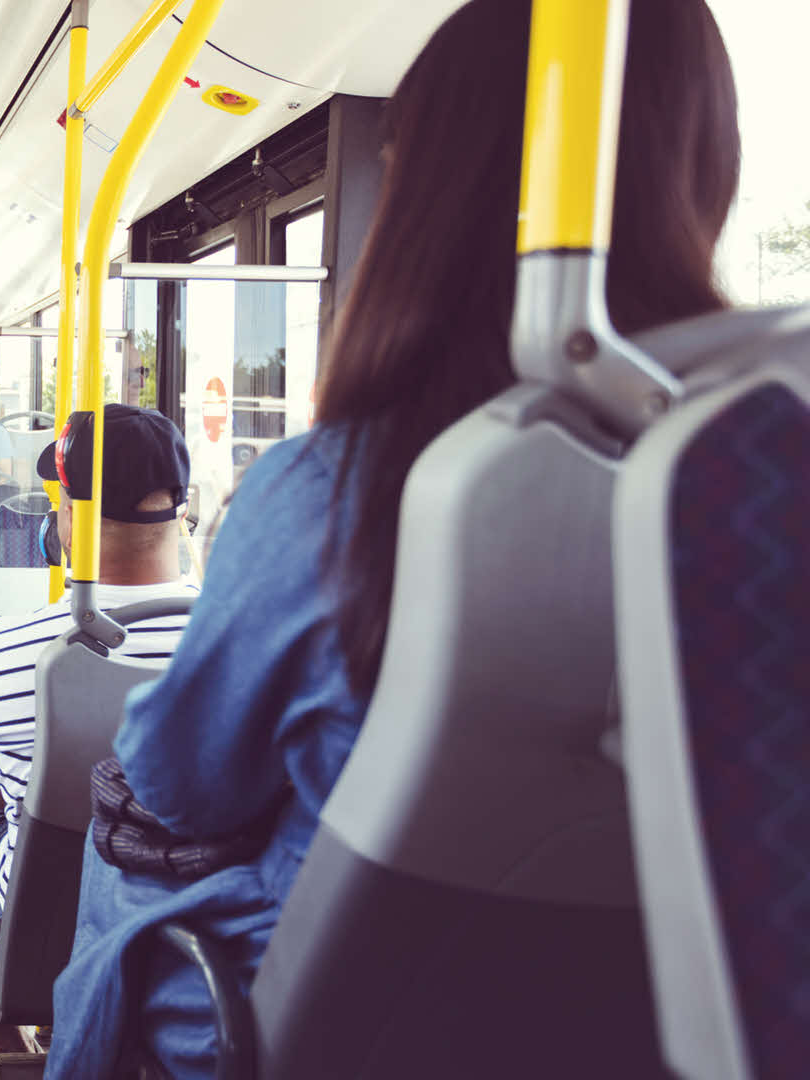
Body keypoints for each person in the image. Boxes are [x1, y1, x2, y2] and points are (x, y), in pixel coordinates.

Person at [45, 1, 740, 1076]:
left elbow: (182, 784)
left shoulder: (341, 494)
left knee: (123, 834)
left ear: (426, 196)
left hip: (351, 1027)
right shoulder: (750, 504)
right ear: (708, 168)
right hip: (678, 1028)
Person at [0, 405, 201, 1080]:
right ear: (181, 508)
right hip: (197, 924)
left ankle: (4, 1039)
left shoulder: (8, 647)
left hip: (45, 923)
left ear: (68, 515)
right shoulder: (236, 644)